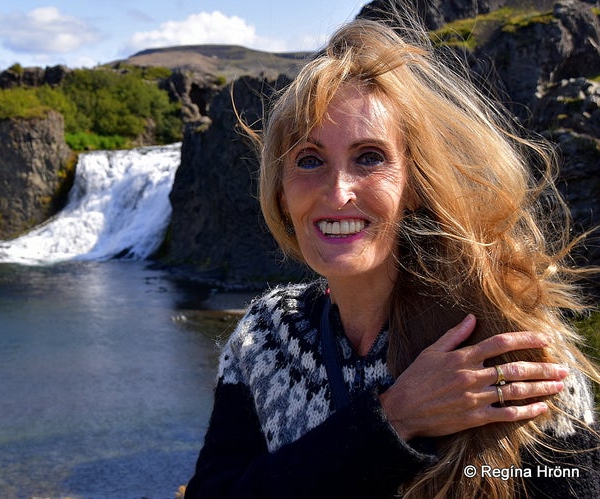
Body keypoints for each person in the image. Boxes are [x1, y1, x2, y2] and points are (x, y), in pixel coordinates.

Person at [185, 15, 599, 499]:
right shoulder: (263, 339)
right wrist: (393, 419)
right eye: (309, 160)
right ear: (279, 191)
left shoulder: (508, 341)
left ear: (415, 186)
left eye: (369, 157)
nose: (338, 193)